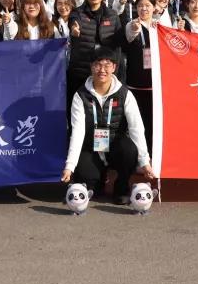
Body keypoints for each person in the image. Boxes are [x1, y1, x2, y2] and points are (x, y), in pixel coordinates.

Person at [61, 48, 154, 204]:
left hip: (115, 144)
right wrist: (69, 166)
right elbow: (78, 131)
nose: (102, 70)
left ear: (114, 67)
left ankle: (121, 186)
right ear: (91, 67)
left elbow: (136, 128)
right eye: (98, 65)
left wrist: (144, 162)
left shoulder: (125, 94)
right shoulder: (80, 95)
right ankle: (97, 179)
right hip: (91, 146)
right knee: (91, 187)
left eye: (107, 65)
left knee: (129, 151)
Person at [67, 0, 122, 100]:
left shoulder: (112, 15)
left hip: (104, 73)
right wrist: (74, 30)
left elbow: (117, 47)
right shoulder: (77, 13)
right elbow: (73, 23)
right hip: (81, 72)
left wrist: (115, 69)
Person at [121, 0, 158, 152]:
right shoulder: (132, 24)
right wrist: (135, 30)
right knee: (137, 122)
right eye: (140, 6)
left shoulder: (159, 26)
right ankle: (138, 154)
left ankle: (152, 153)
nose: (144, 9)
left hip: (155, 84)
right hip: (135, 83)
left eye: (147, 5)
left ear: (154, 8)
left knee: (152, 122)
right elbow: (130, 36)